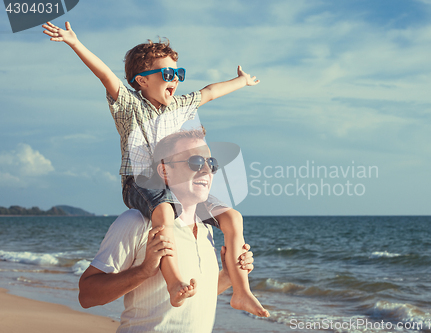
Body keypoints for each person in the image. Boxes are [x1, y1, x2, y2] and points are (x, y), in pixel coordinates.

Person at [42, 21, 268, 317]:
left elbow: (210, 92)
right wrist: (74, 42)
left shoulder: (179, 107)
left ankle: (241, 291)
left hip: (177, 184)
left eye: (178, 73)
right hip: (141, 181)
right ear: (141, 80)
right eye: (166, 73)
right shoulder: (129, 106)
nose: (174, 79)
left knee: (233, 217)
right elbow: (105, 75)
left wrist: (241, 82)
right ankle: (173, 280)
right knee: (163, 211)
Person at [79, 128, 258, 332]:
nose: (206, 170)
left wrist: (227, 276)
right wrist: (143, 271)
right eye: (195, 162)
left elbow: (189, 299)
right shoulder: (136, 222)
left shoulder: (207, 228)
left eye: (211, 163)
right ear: (165, 171)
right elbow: (86, 295)